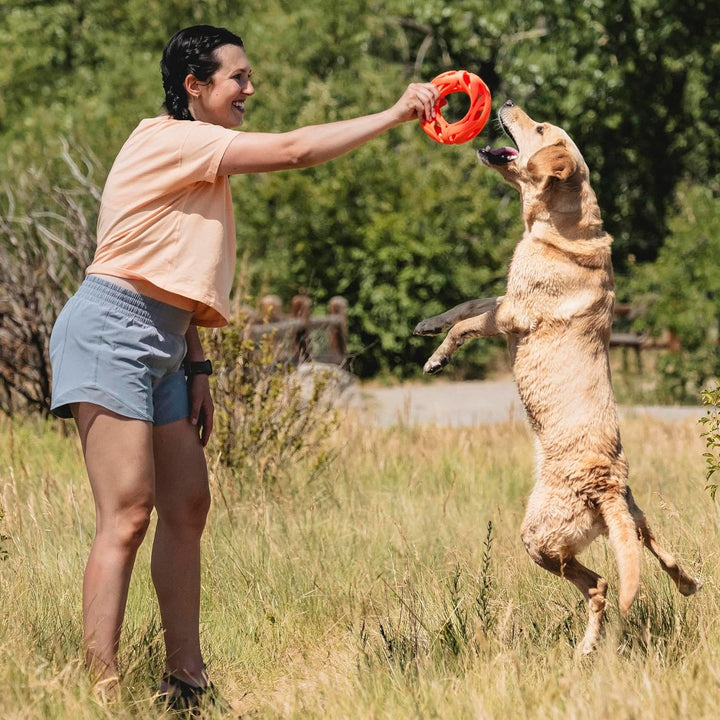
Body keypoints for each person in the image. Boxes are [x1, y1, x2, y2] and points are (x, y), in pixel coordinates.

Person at [48, 24, 439, 710]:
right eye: (238, 78)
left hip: (167, 340)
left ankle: (186, 681)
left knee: (188, 505)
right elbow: (292, 151)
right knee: (129, 514)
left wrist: (197, 368)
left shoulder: (197, 153)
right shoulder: (169, 138)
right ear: (194, 87)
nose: (250, 90)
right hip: (112, 328)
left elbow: (175, 266)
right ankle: (98, 695)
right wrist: (396, 112)